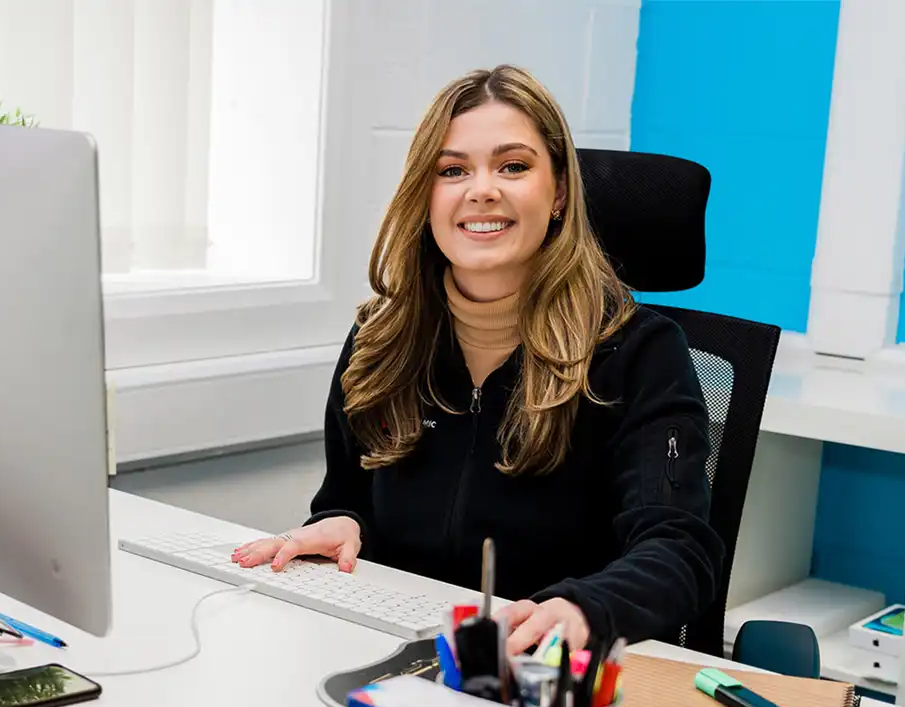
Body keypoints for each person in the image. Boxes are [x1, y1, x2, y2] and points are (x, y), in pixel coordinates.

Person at [230, 64, 723, 656]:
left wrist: (585, 608)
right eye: (453, 170)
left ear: (560, 191)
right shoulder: (380, 338)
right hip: (395, 655)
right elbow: (348, 494)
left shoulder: (639, 352)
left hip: (552, 675)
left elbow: (677, 549)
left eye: (513, 166)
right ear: (425, 194)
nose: (481, 189)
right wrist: (342, 523)